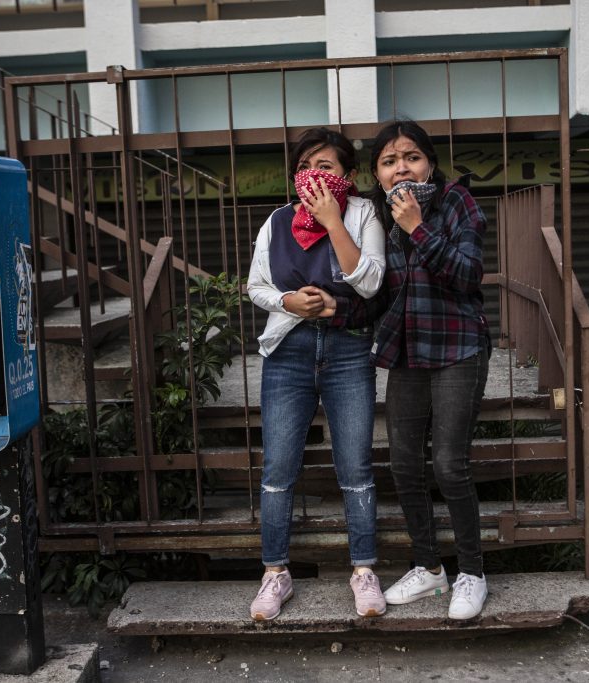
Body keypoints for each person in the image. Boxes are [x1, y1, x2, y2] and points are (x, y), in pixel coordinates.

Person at [246, 127, 387, 621]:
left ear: (347, 174)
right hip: (288, 349)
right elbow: (256, 286)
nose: (316, 174)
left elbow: (370, 283)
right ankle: (274, 574)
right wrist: (288, 301)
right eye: (307, 165)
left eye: (327, 166)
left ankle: (364, 569)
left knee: (356, 467)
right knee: (279, 469)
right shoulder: (277, 221)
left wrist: (332, 222)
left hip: (348, 350)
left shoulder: (363, 213)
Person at [368, 119, 491, 620]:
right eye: (389, 161)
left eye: (412, 156)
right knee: (401, 465)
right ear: (377, 175)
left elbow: (468, 275)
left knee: (448, 465)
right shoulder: (374, 215)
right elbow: (374, 290)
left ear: (431, 163)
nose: (402, 167)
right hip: (407, 351)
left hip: (459, 345)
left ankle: (472, 573)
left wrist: (418, 227)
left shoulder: (456, 202)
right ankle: (429, 568)